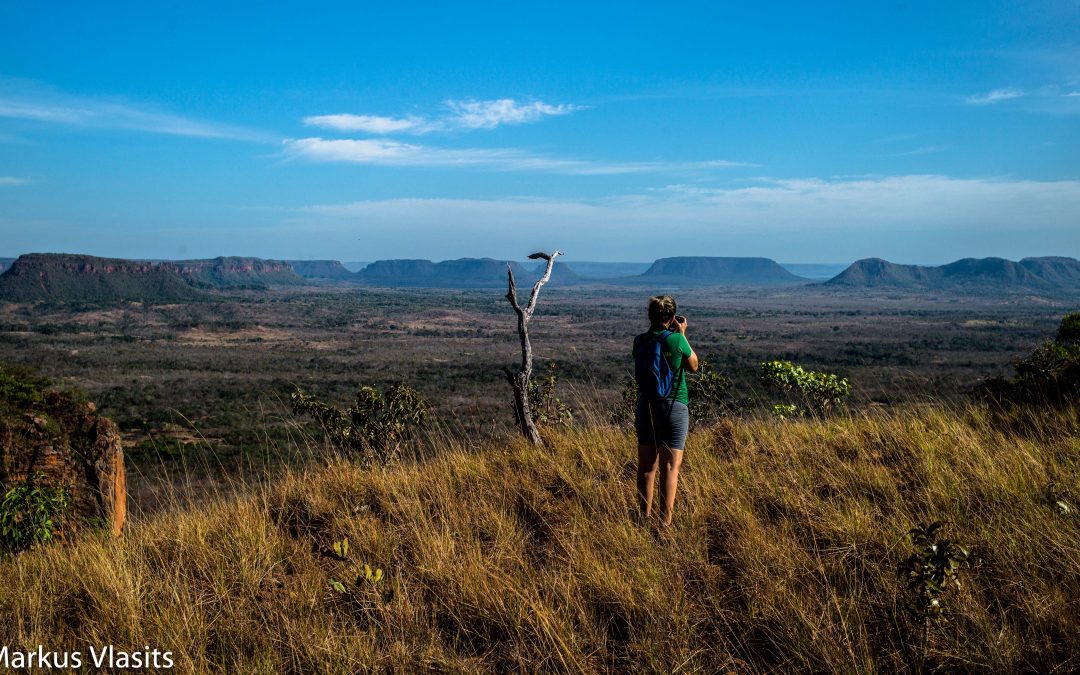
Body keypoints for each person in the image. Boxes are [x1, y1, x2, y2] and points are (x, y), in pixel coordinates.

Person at [632, 295, 699, 531]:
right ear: (671, 317)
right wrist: (681, 333)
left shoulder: (639, 341)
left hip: (646, 406)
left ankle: (643, 518)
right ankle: (665, 525)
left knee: (646, 466)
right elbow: (693, 365)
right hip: (673, 407)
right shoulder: (677, 340)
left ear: (650, 316)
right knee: (670, 467)